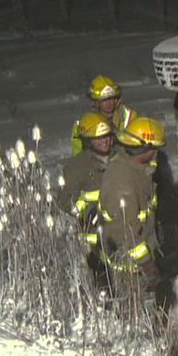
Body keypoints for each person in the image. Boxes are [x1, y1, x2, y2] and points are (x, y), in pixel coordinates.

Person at [99, 116, 167, 318]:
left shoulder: (134, 169)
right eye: (154, 148)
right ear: (143, 149)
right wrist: (146, 264)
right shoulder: (124, 182)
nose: (156, 153)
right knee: (136, 314)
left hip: (135, 263)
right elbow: (125, 233)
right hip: (130, 269)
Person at [57, 112, 114, 284]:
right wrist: (87, 211)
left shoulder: (121, 158)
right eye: (98, 138)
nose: (105, 141)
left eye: (107, 136)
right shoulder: (77, 167)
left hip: (123, 231)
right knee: (101, 279)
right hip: (94, 239)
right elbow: (64, 201)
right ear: (88, 141)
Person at [71, 75, 137, 155]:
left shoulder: (129, 116)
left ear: (117, 99)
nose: (109, 103)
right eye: (104, 100)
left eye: (111, 98)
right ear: (96, 102)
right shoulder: (83, 124)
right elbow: (78, 154)